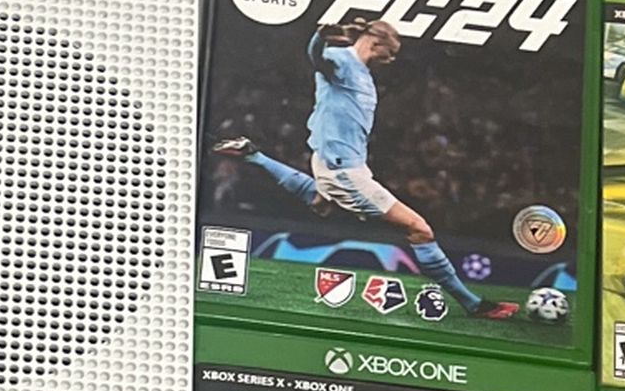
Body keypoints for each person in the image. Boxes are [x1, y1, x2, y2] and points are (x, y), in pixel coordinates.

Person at [209, 16, 515, 320]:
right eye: (391, 52)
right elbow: (317, 58)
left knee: (319, 201)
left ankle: (254, 155)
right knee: (419, 229)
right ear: (377, 43)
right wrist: (321, 37)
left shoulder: (364, 75)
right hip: (344, 171)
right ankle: (473, 304)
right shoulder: (342, 59)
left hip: (341, 164)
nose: (392, 60)